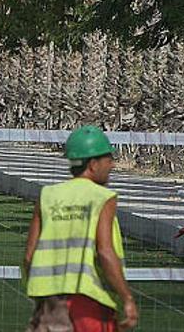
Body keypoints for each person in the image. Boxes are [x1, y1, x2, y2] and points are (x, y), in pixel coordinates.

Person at [23, 126, 139, 332]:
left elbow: (30, 255)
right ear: (93, 164)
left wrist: (41, 294)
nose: (112, 165)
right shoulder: (102, 198)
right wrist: (126, 298)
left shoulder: (47, 196)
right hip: (88, 302)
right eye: (108, 159)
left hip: (50, 303)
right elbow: (104, 252)